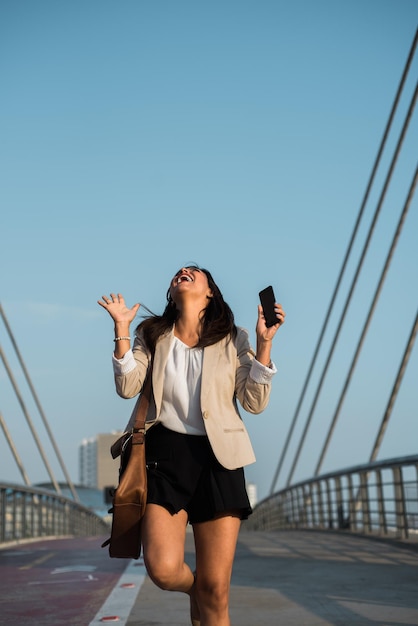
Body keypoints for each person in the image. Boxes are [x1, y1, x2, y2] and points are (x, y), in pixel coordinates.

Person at [98, 265, 285, 626]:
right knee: (164, 569)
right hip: (164, 458)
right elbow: (128, 385)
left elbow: (253, 402)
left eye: (194, 271)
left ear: (210, 291)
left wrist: (265, 344)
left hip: (220, 459)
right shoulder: (152, 334)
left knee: (218, 592)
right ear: (173, 290)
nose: (183, 271)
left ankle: (207, 595)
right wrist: (121, 330)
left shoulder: (234, 338)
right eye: (179, 271)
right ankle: (196, 589)